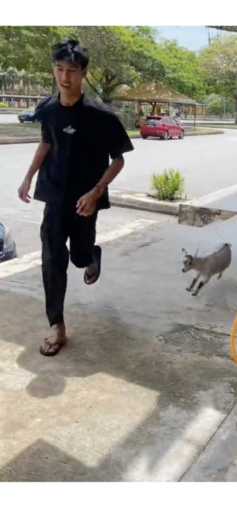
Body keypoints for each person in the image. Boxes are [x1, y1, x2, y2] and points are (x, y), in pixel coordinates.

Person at [16, 38, 134, 357]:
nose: (63, 77)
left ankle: (91, 254)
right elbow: (46, 143)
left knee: (79, 256)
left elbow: (119, 158)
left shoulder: (102, 116)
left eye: (71, 70)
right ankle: (57, 325)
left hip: (85, 202)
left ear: (83, 73)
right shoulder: (49, 110)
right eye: (58, 69)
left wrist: (96, 192)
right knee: (53, 261)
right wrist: (28, 176)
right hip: (54, 197)